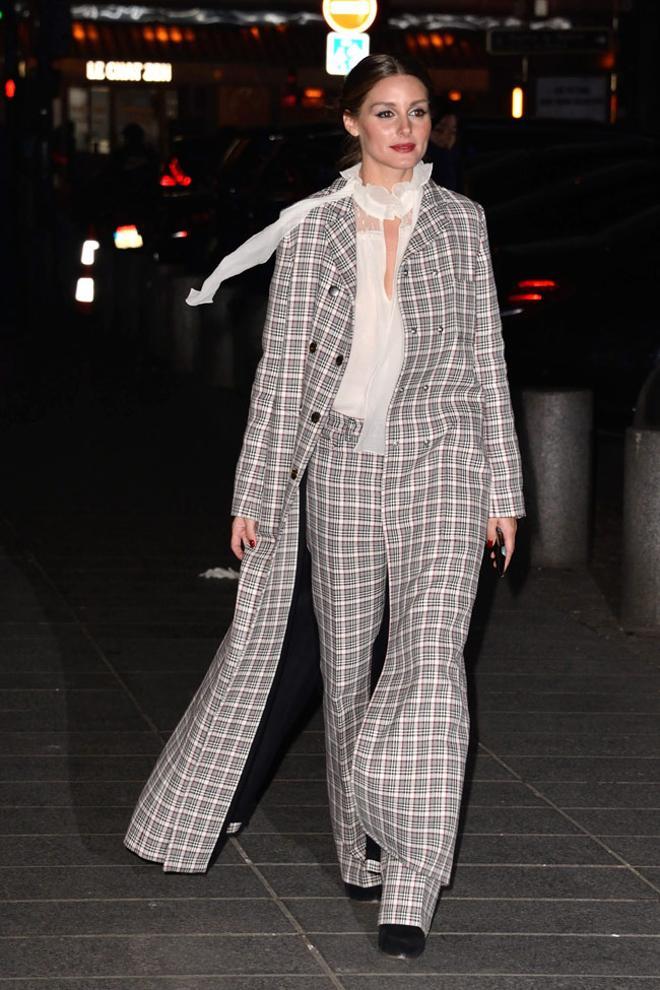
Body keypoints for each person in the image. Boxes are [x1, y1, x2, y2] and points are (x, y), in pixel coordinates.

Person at [124, 54, 525, 960]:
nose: (405, 129)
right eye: (385, 112)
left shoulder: (464, 224)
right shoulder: (314, 230)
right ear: (351, 122)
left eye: (418, 113)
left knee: (430, 662)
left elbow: (486, 364)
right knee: (344, 672)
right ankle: (362, 847)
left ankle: (412, 881)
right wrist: (257, 489)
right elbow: (283, 374)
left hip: (444, 467)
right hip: (340, 470)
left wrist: (504, 492)